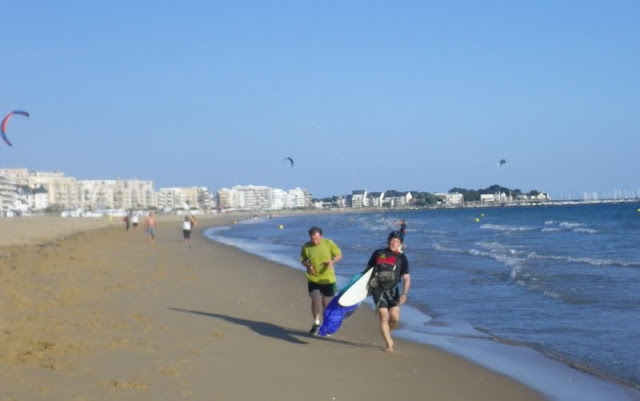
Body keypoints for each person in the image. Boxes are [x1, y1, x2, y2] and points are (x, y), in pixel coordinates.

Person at [366, 230, 411, 352]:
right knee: (384, 316)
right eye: (391, 240)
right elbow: (368, 270)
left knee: (394, 318)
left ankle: (387, 332)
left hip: (393, 291)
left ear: (400, 243)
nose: (393, 242)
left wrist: (404, 293)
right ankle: (389, 344)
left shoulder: (402, 258)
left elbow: (406, 277)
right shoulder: (378, 253)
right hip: (378, 289)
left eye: (396, 241)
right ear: (388, 240)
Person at [300, 226, 343, 335]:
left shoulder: (329, 243)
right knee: (315, 299)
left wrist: (332, 261)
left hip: (328, 279)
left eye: (317, 238)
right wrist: (308, 265)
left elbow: (339, 255)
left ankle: (326, 325)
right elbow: (303, 260)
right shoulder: (306, 246)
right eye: (312, 238)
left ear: (321, 236)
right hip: (313, 278)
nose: (315, 241)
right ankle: (316, 323)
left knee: (326, 304)